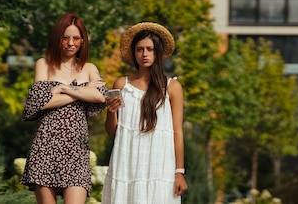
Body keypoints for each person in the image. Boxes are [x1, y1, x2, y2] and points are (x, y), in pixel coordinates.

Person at [21, 13, 107, 204]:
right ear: (57, 38)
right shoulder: (43, 64)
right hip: (46, 147)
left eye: (76, 38)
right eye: (65, 37)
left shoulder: (89, 68)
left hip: (77, 150)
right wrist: (82, 91)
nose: (70, 43)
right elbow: (41, 102)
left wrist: (63, 88)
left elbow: (101, 96)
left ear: (83, 41)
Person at [102, 22, 188, 203]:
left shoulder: (172, 87)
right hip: (128, 164)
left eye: (150, 49)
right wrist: (111, 111)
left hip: (160, 165)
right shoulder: (121, 85)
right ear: (134, 53)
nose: (144, 54)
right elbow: (113, 133)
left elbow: (178, 132)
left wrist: (179, 172)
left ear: (158, 52)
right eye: (139, 49)